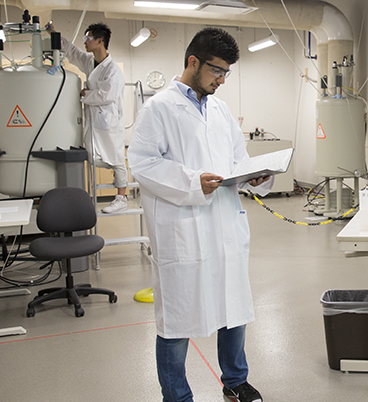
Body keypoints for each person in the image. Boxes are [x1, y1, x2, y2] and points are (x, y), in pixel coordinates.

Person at [127, 28, 272, 402]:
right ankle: (176, 395)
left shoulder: (221, 111)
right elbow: (142, 165)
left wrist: (254, 175)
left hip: (225, 223)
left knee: (233, 308)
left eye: (226, 73)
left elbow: (237, 159)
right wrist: (193, 182)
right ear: (193, 62)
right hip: (183, 228)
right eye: (216, 71)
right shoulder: (157, 108)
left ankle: (235, 381)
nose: (221, 80)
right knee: (176, 320)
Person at [52, 22, 129, 213]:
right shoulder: (89, 61)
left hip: (109, 121)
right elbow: (73, 52)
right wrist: (54, 35)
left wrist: (84, 95)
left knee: (117, 158)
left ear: (100, 41)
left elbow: (107, 95)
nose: (85, 42)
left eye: (88, 38)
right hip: (94, 120)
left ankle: (121, 197)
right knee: (92, 157)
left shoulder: (113, 70)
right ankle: (114, 177)